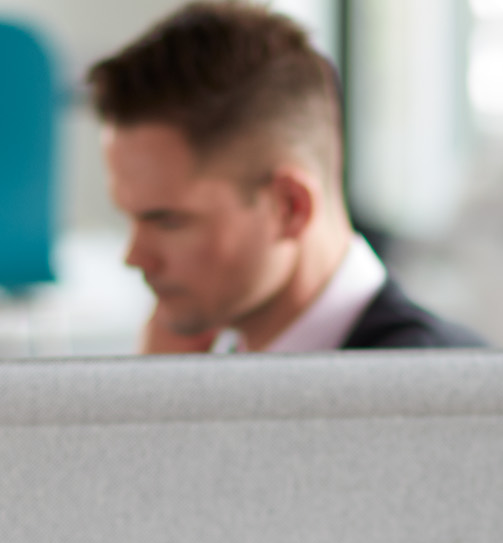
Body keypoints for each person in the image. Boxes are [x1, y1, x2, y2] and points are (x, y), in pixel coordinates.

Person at [88, 2, 482, 354]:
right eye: (130, 217)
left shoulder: (437, 398)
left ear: (290, 207)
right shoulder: (201, 367)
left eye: (168, 220)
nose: (135, 257)